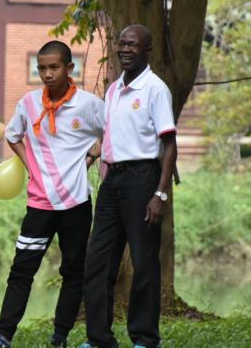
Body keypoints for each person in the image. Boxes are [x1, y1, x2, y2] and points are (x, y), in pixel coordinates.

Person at [0, 41, 104, 348]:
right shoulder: (29, 102)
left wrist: (89, 158)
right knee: (22, 269)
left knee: (73, 271)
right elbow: (12, 135)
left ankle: (59, 336)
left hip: (76, 203)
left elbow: (112, 134)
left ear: (69, 68)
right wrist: (32, 166)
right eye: (42, 68)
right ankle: (2, 336)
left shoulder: (89, 105)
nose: (47, 74)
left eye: (54, 67)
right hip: (39, 205)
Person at [79, 25, 177, 348]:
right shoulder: (113, 90)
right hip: (112, 181)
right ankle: (99, 339)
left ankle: (145, 338)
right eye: (121, 43)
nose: (124, 49)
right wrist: (91, 158)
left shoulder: (155, 89)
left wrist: (160, 194)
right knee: (98, 259)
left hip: (142, 179)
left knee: (144, 261)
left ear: (148, 51)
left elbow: (169, 145)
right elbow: (111, 136)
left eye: (132, 45)